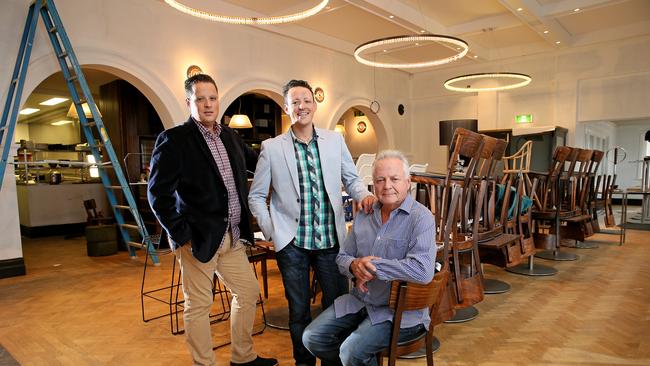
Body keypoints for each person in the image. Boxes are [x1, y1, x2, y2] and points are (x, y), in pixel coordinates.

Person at [147, 73, 277, 366]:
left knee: (247, 291)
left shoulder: (230, 136)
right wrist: (182, 235)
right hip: (197, 240)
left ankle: (242, 357)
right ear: (189, 102)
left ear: (219, 100)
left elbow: (260, 164)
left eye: (213, 98)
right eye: (200, 99)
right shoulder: (175, 139)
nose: (208, 105)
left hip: (231, 237)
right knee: (199, 305)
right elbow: (158, 196)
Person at [248, 79, 375, 366]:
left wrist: (364, 195)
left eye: (305, 100)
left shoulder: (334, 140)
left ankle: (333, 361)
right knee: (299, 311)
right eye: (295, 102)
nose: (301, 106)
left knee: (337, 307)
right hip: (293, 245)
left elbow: (351, 179)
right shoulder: (271, 148)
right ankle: (303, 363)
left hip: (331, 242)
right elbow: (256, 196)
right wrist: (273, 232)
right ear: (286, 108)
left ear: (314, 105)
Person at [302, 150, 437, 366]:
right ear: (373, 184)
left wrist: (372, 266)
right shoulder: (364, 214)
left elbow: (423, 270)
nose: (387, 186)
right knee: (312, 338)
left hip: (401, 313)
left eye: (394, 179)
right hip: (361, 301)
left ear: (408, 182)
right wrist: (354, 266)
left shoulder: (422, 218)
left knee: (351, 351)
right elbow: (342, 258)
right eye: (380, 180)